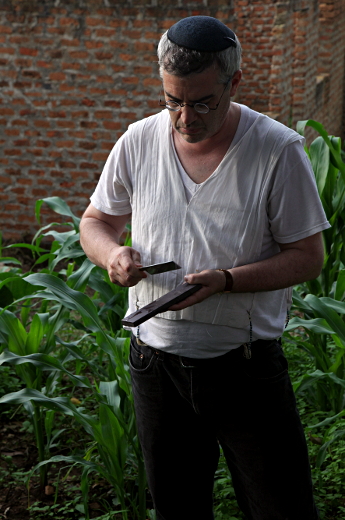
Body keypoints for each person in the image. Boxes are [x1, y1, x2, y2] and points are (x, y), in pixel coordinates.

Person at [80, 16, 330, 520]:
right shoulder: (137, 140)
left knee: (280, 508)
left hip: (245, 368)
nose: (184, 118)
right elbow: (96, 221)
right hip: (154, 366)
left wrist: (229, 281)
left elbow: (308, 256)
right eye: (172, 100)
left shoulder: (277, 150)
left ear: (233, 83)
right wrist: (112, 254)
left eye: (201, 102)